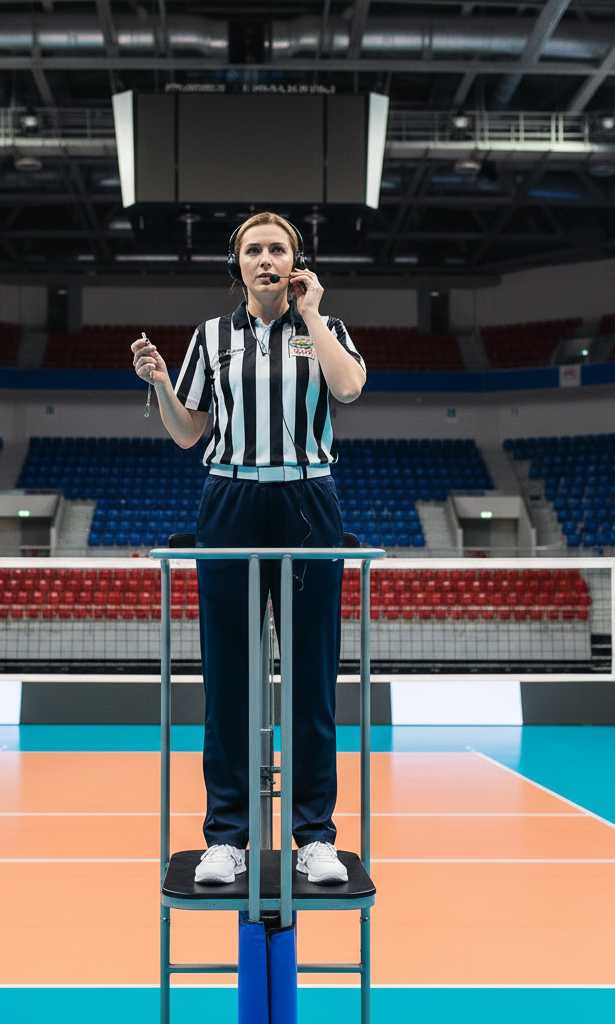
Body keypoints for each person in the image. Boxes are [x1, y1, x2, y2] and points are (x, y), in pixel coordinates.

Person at [131, 212, 366, 885]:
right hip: (230, 500)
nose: (266, 260)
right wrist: (159, 384)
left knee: (312, 677)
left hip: (307, 502)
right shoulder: (211, 338)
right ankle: (227, 837)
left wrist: (313, 312)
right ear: (235, 264)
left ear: (297, 262)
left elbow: (348, 388)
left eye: (278, 250)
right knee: (230, 677)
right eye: (253, 250)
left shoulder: (326, 330)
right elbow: (187, 432)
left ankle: (314, 836)